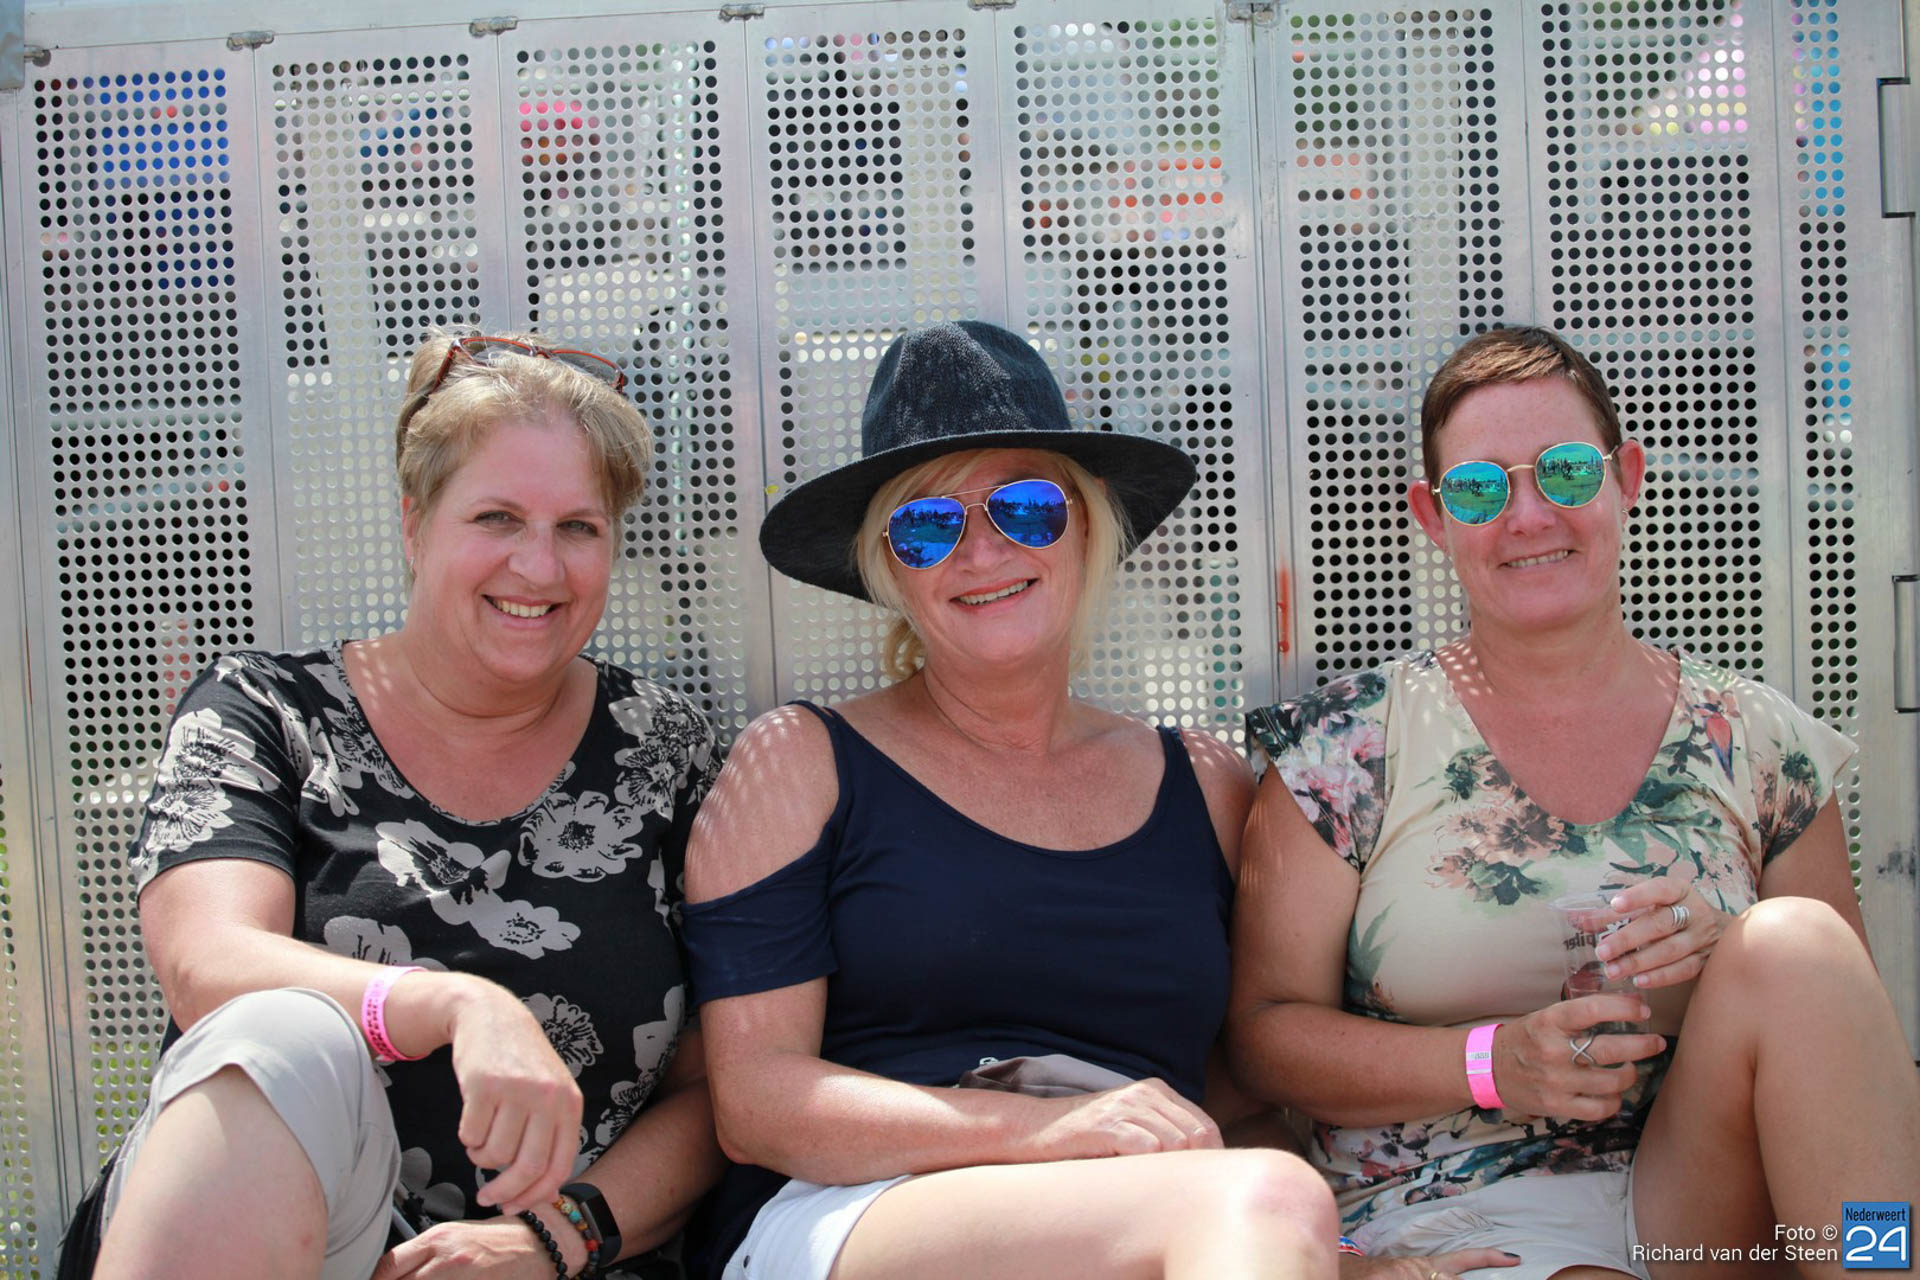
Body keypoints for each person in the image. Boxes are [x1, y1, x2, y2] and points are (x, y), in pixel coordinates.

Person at [678, 320, 1512, 1280]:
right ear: (889, 566)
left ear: (1087, 525)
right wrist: (1051, 1130)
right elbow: (757, 1105)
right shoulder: (802, 761)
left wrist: (1343, 1258)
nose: (982, 552)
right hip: (855, 1212)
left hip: (1146, 1216)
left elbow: (1237, 1112)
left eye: (1026, 509)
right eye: (927, 525)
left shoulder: (1206, 784)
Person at [1229, 325, 1920, 1279]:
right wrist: (1488, 1063)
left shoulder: (1761, 742)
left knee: (1797, 943)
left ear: (1625, 478)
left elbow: (1849, 1059)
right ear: (1433, 516)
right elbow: (1263, 1039)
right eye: (1480, 488)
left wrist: (1730, 947)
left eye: (1563, 472)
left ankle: (1887, 1269)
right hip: (1456, 1206)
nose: (1528, 516)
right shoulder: (1344, 749)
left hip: (1712, 1211)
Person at [91, 332, 728, 1280]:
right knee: (283, 1028)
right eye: (497, 518)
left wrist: (551, 1241)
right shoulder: (267, 712)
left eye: (578, 528)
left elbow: (718, 1085)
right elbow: (206, 963)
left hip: (557, 1259)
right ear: (414, 524)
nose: (539, 568)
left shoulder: (672, 754)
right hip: (286, 1238)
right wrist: (455, 1006)